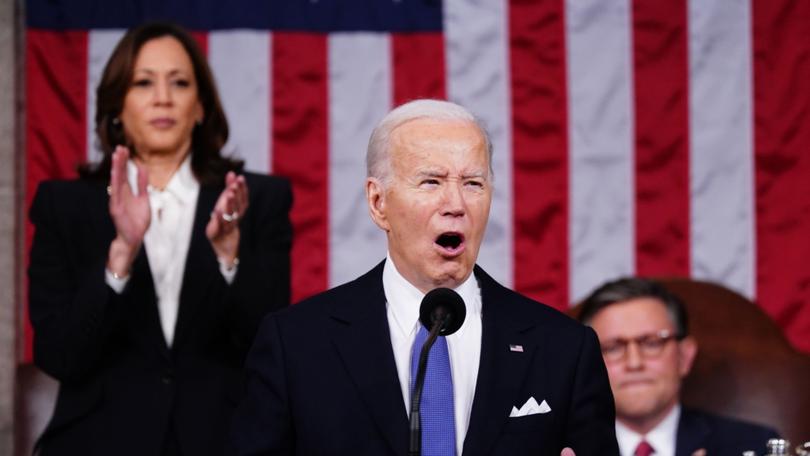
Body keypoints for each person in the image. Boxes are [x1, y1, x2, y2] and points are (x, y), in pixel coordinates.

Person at [230, 99, 618, 455]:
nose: (456, 205)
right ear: (378, 202)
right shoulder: (296, 344)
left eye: (473, 184)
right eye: (431, 181)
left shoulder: (564, 349)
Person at [28, 22, 292, 455]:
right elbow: (59, 356)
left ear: (201, 105)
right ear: (117, 106)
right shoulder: (64, 205)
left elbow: (270, 350)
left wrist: (229, 258)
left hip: (223, 440)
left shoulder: (258, 199)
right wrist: (120, 256)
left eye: (180, 83)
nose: (163, 98)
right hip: (97, 442)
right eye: (143, 82)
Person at [578, 278, 779, 456]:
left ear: (684, 356)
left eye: (652, 343)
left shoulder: (755, 446)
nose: (634, 363)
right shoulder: (561, 448)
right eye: (613, 348)